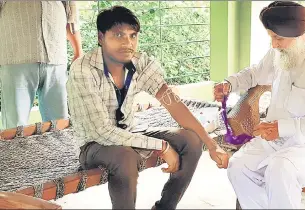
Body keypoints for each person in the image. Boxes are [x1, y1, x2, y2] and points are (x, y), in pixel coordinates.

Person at [66, 6, 229, 210]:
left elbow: (174, 105)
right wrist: (162, 146)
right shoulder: (83, 70)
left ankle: (165, 207)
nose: (128, 43)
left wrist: (211, 145)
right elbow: (102, 132)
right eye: (119, 35)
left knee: (191, 140)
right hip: (94, 145)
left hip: (130, 133)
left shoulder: (139, 63)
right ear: (101, 37)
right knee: (125, 156)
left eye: (133, 36)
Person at [214, 1, 305, 209]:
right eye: (271, 38)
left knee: (280, 168)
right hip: (274, 139)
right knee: (238, 166)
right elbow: (255, 73)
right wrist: (229, 83)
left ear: (301, 34)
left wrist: (283, 128)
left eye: (278, 38)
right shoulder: (278, 53)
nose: (274, 45)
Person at [0, 1, 83, 129]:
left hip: (56, 58)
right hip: (16, 57)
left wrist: (78, 51)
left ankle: (59, 150)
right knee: (15, 127)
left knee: (59, 124)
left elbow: (71, 15)